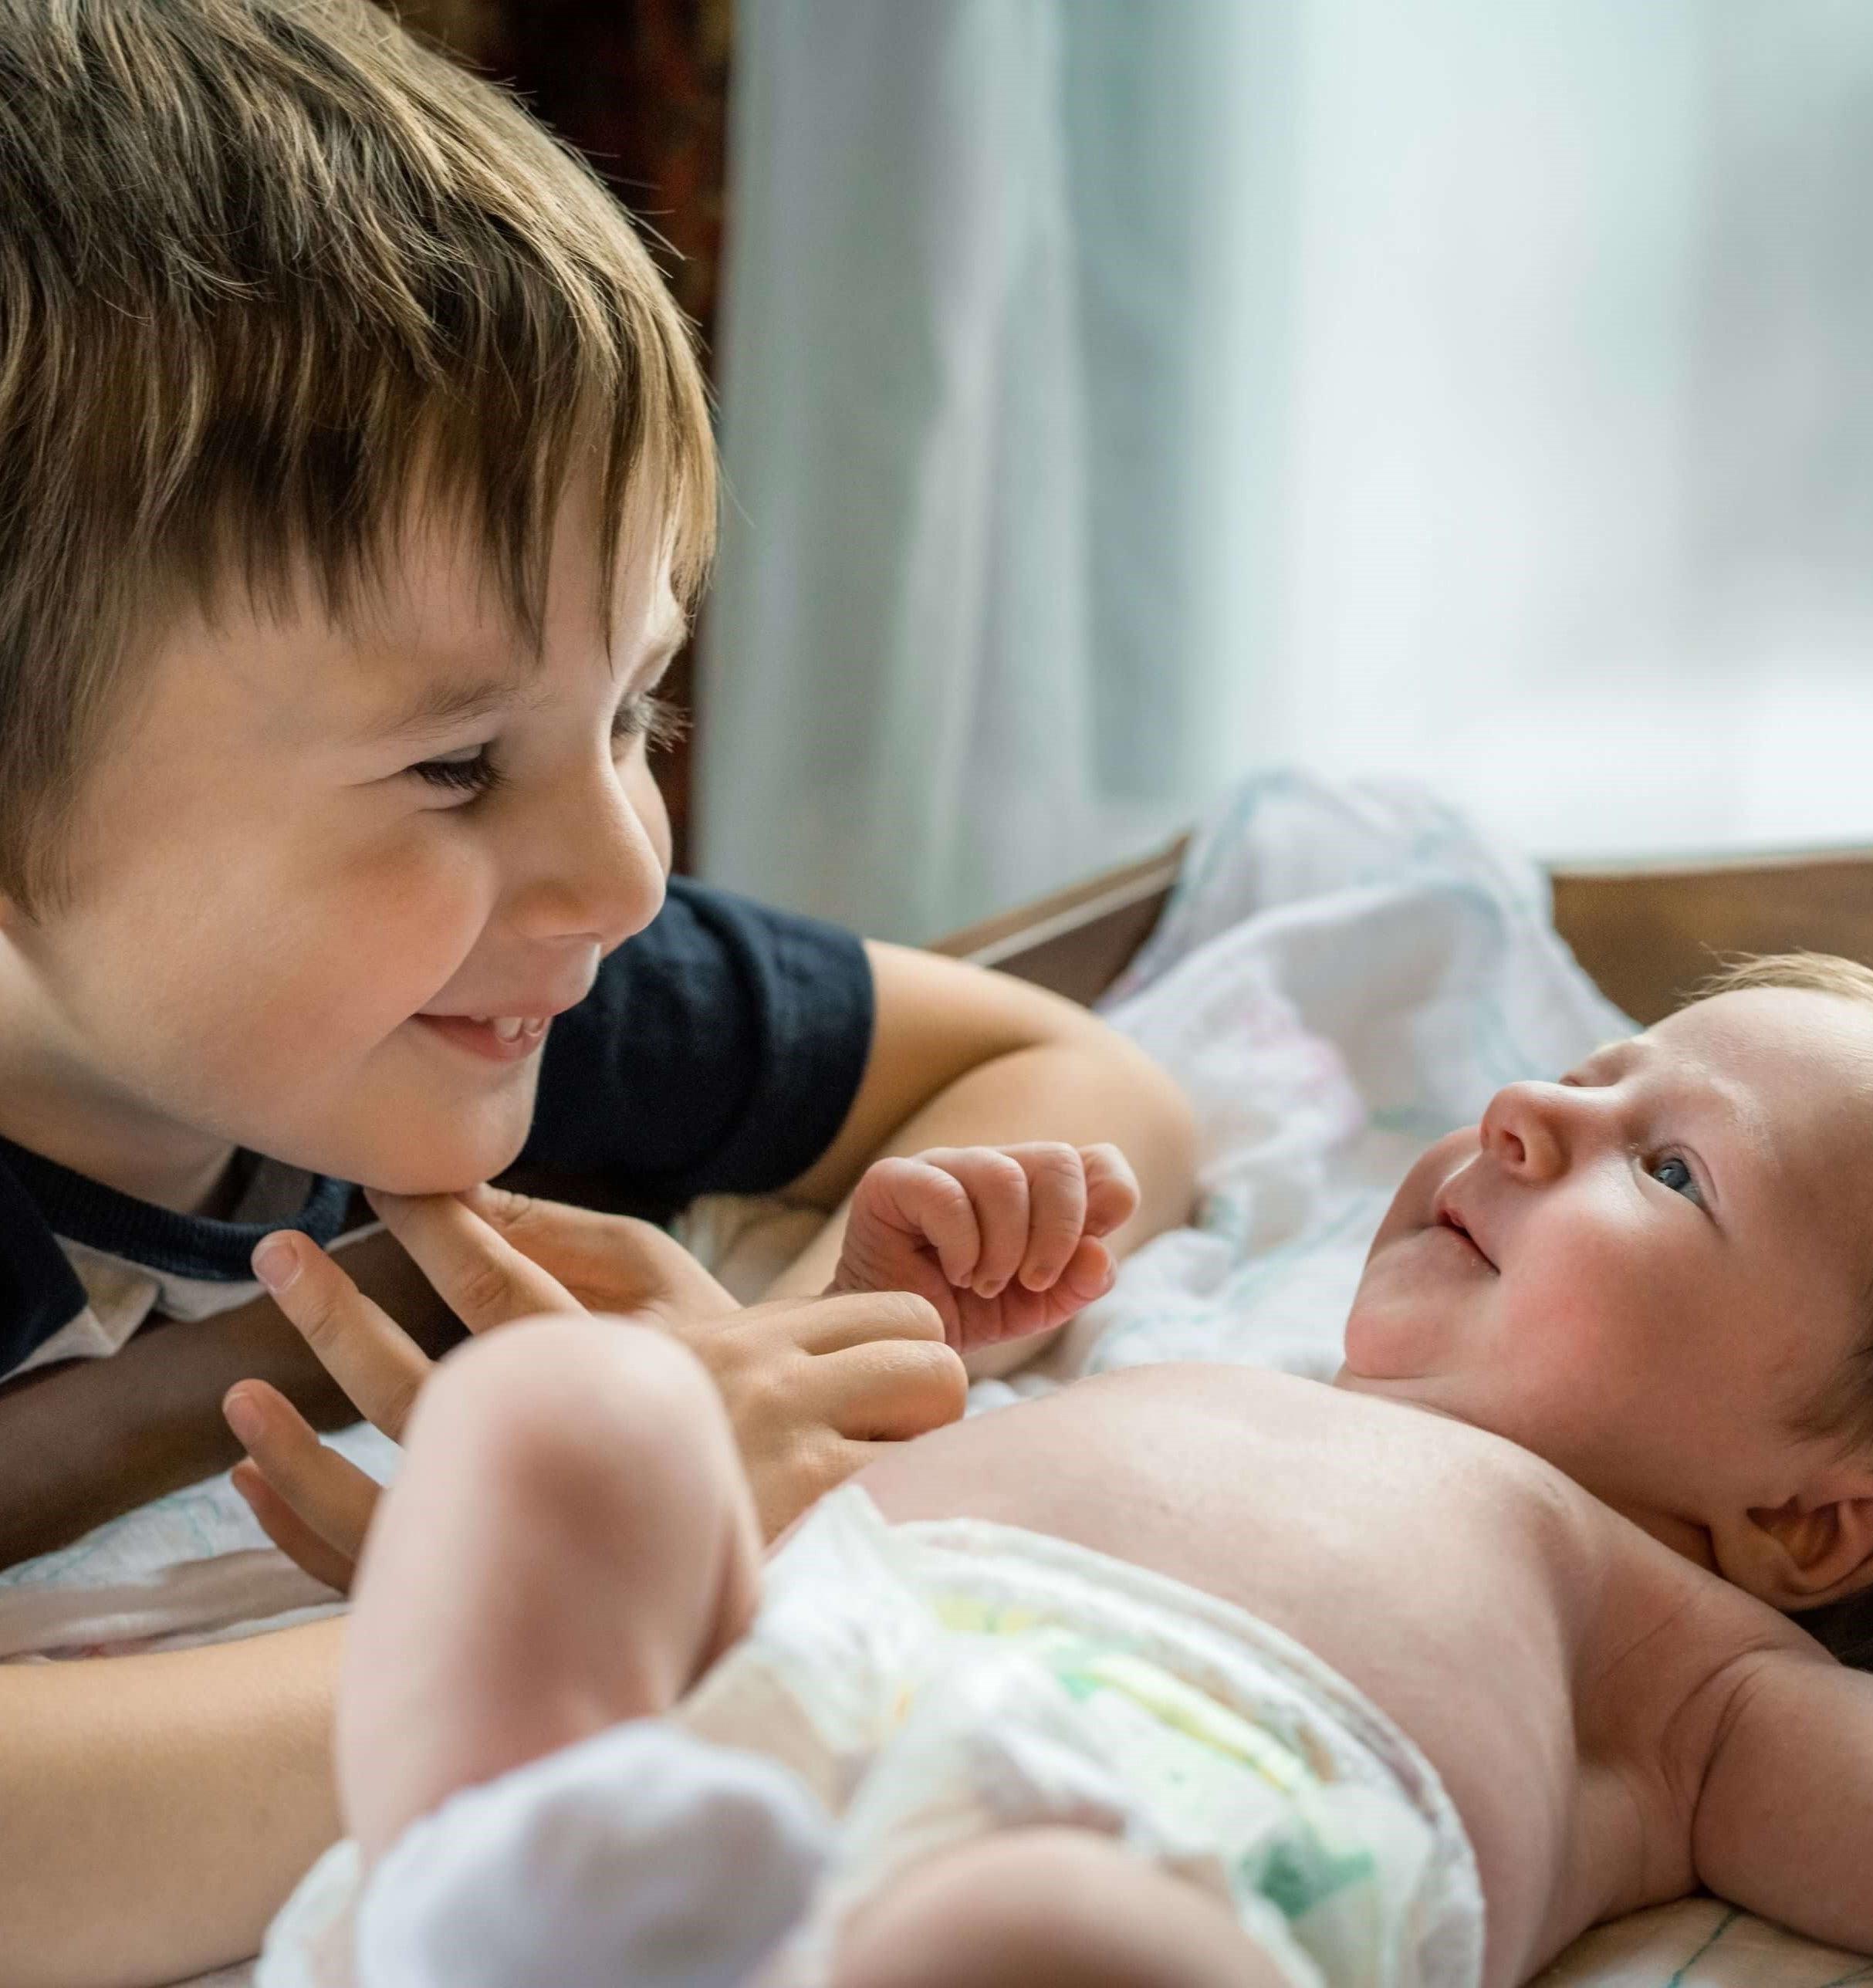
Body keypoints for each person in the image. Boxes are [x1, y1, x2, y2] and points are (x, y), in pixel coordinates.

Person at [0, 2, 1192, 1978]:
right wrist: (535, 1630)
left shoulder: (474, 996)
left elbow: (1061, 1062)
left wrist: (806, 1355)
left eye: (636, 703)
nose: (628, 867)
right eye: (455, 764)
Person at [248, 957, 1873, 1987]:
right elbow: (792, 1475)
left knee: (1049, 1928)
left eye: (1670, 1168)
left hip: (1112, 1872)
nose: (1532, 1103)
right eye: (1598, 1073)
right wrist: (884, 1334)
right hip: (741, 1736)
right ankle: (513, 1858)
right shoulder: (1195, 1358)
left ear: (1812, 1521)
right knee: (573, 1416)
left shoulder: (1698, 1672)